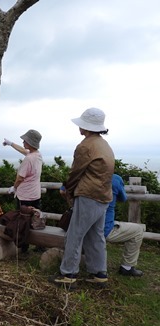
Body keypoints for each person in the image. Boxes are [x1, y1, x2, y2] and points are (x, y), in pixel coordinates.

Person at [49, 107, 115, 288]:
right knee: (96, 235)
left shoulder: (85, 146)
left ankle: (68, 274)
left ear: (85, 127)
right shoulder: (104, 144)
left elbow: (76, 172)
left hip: (88, 195)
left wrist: (66, 188)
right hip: (103, 195)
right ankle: (99, 274)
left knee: (75, 234)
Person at [105, 174, 145, 276]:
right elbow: (123, 198)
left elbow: (64, 190)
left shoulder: (81, 176)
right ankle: (127, 267)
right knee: (138, 230)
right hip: (104, 229)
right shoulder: (114, 178)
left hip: (81, 226)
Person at [3, 129, 43, 210]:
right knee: (33, 218)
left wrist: (14, 188)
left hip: (25, 197)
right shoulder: (37, 155)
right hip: (35, 195)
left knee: (23, 220)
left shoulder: (28, 159)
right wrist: (10, 143)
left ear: (29, 142)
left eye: (25, 140)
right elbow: (23, 150)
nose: (23, 142)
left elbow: (20, 178)